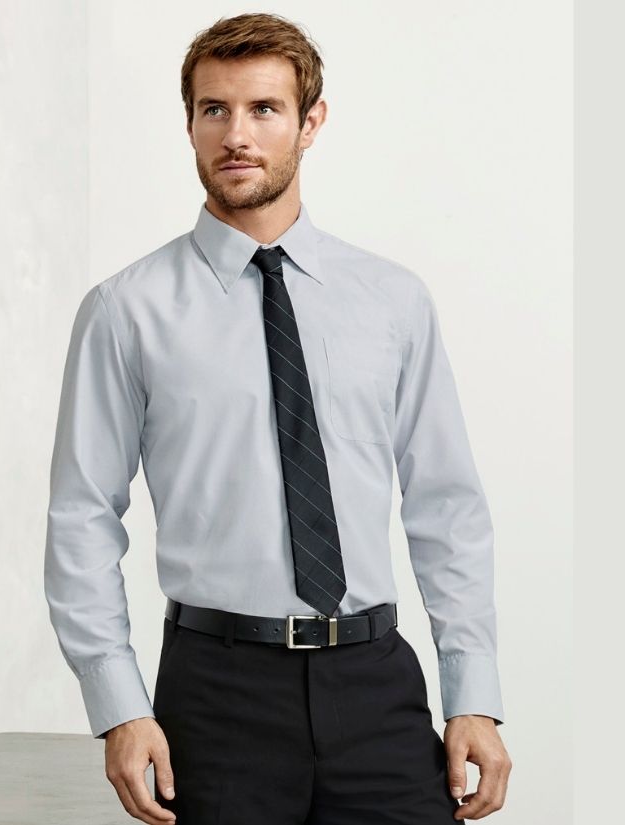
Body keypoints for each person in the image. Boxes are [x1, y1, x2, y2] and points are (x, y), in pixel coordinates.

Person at [44, 11, 512, 825]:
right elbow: (82, 515)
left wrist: (473, 692)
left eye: (264, 108)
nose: (237, 135)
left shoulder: (392, 302)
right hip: (215, 693)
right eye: (214, 109)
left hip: (374, 683)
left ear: (310, 122)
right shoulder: (127, 311)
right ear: (188, 123)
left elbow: (446, 506)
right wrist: (118, 705)